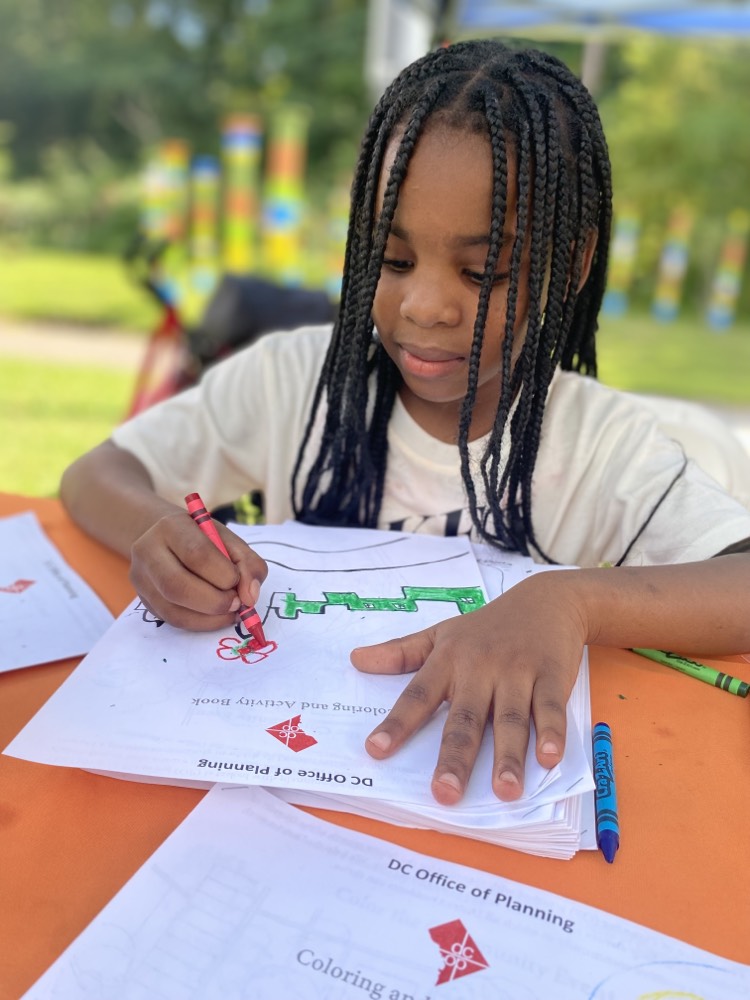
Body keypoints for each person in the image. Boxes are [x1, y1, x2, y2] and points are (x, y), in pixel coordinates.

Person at [60, 39, 750, 808]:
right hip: (281, 790)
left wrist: (570, 600)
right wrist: (162, 535)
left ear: (574, 261)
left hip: (488, 820)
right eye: (392, 259)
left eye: (481, 271)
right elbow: (95, 476)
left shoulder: (599, 447)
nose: (424, 307)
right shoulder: (291, 380)